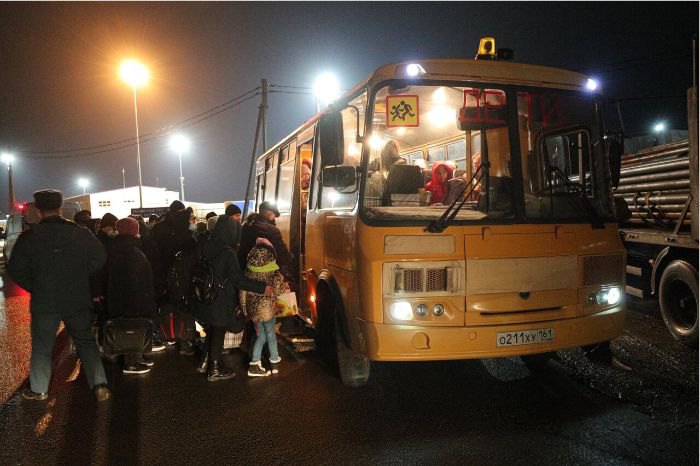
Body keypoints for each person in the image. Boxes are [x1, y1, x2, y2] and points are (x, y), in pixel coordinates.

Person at [8, 189, 110, 401]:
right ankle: (99, 384)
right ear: (60, 208)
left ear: (38, 211)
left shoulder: (30, 237)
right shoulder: (80, 233)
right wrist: (81, 275)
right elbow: (100, 257)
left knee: (42, 346)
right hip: (77, 296)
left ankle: (39, 390)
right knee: (85, 341)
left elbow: (15, 269)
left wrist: (35, 285)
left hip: (45, 300)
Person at [191, 215, 271, 381]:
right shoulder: (227, 252)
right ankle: (214, 369)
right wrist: (262, 288)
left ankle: (205, 362)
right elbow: (238, 280)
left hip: (203, 295)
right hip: (219, 299)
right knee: (218, 331)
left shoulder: (204, 244)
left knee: (212, 330)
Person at [108, 217, 157, 374]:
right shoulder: (129, 250)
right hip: (132, 296)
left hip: (127, 296)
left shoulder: (119, 247)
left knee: (134, 326)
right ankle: (131, 363)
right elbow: (134, 278)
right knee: (131, 326)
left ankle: (136, 357)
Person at [241, 238, 287, 377]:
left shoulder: (248, 270)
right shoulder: (274, 272)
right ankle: (273, 363)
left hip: (253, 311)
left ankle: (255, 362)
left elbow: (242, 292)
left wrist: (245, 310)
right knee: (271, 335)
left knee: (260, 336)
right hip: (268, 310)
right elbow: (279, 292)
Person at [238, 201, 293, 283]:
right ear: (269, 214)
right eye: (274, 216)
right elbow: (283, 255)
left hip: (248, 275)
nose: (274, 219)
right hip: (267, 278)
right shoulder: (271, 231)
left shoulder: (246, 227)